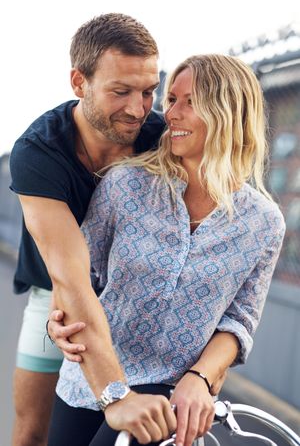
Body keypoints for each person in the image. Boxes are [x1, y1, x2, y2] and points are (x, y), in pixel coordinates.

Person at [47, 54, 285, 446]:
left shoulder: (263, 223)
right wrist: (56, 320)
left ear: (226, 110)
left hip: (171, 397)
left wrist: (200, 377)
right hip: (88, 381)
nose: (169, 113)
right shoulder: (125, 185)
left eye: (188, 101)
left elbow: (239, 321)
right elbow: (80, 278)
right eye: (170, 99)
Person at [9, 13, 168, 446]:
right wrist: (114, 395)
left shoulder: (162, 137)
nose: (139, 109)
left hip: (134, 294)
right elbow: (68, 275)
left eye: (150, 91)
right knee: (30, 431)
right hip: (57, 294)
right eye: (121, 92)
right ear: (79, 82)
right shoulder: (38, 152)